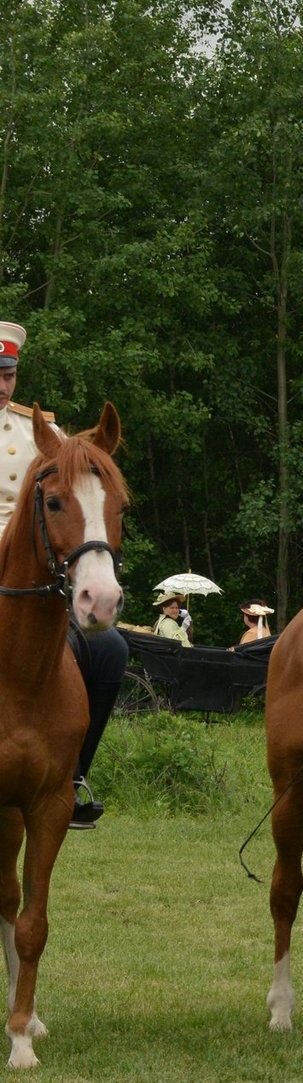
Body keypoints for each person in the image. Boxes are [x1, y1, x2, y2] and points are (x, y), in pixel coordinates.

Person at [0, 320, 128, 831]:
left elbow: (73, 500)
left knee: (110, 649)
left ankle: (69, 776)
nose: (2, 384)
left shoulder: (42, 433)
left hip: (29, 568)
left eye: (8, 373)